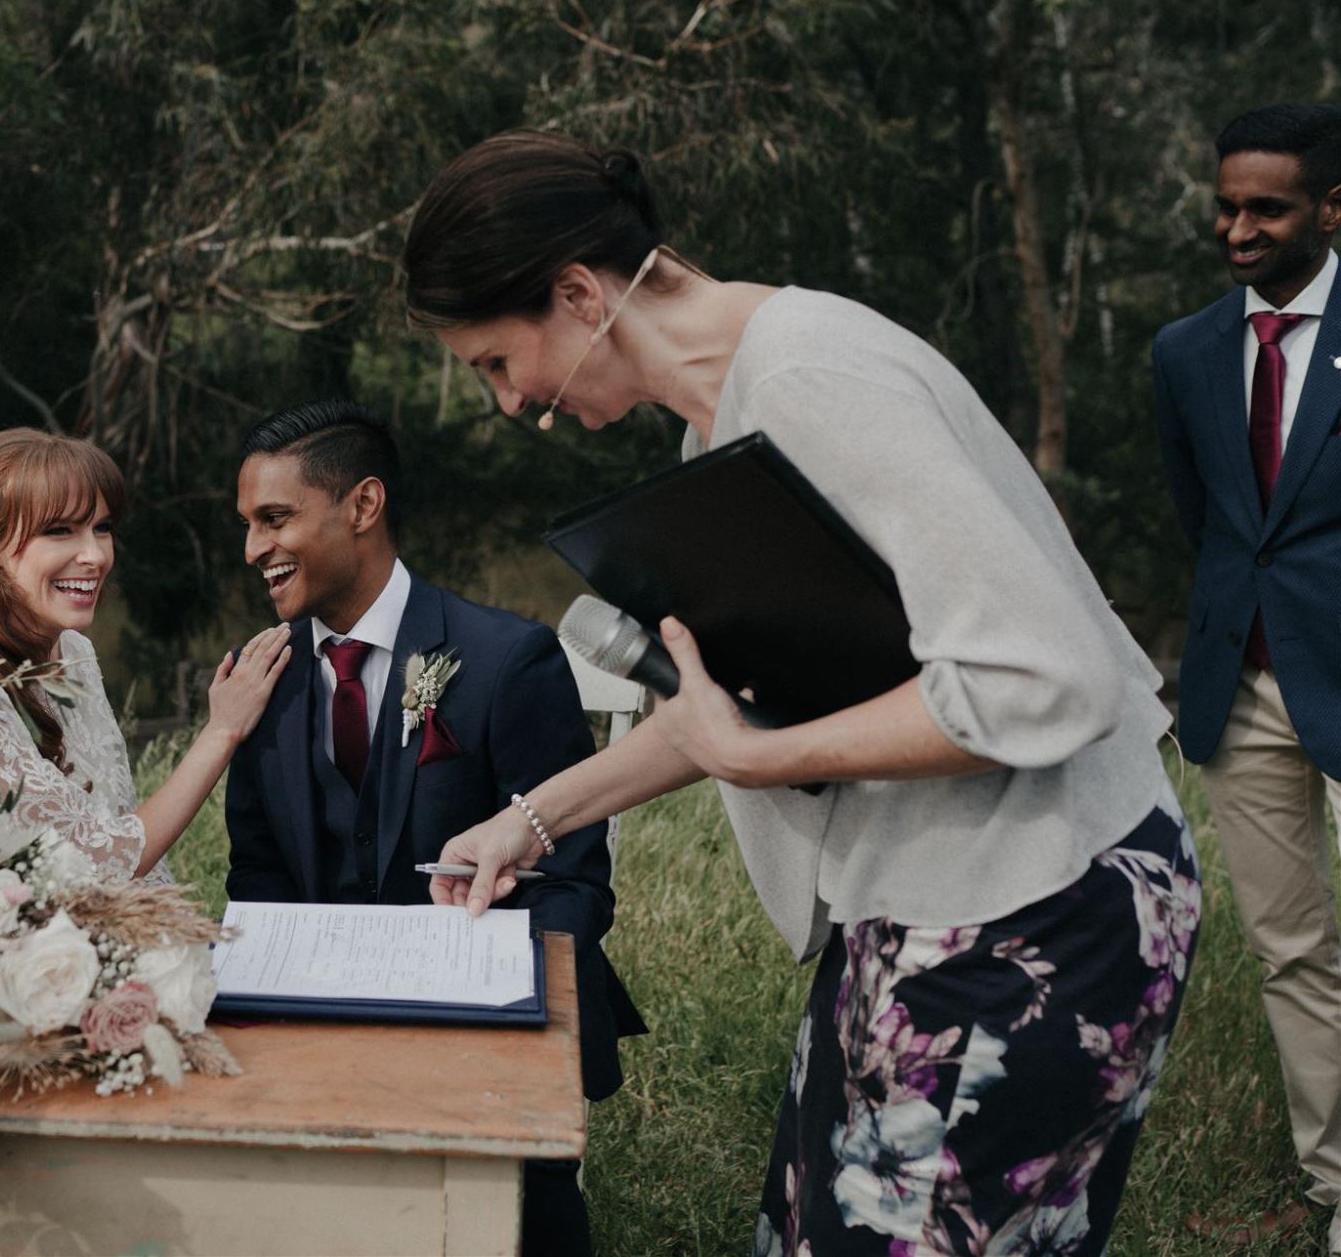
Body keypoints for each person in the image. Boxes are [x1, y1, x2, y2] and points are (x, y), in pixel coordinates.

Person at [405, 130, 1198, 1254]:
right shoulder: (716, 420)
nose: (507, 403)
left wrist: (755, 756)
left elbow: (1038, 677)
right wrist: (529, 820)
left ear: (577, 295)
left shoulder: (813, 376)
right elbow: (742, 706)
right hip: (916, 900)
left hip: (1036, 905)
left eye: (494, 361)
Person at [224, 399, 644, 1257]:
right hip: (321, 1061)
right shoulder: (259, 682)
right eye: (247, 525)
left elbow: (573, 884)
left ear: (363, 506)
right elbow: (257, 881)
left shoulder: (504, 659)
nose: (253, 549)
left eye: (275, 519)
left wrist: (493, 1036)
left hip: (491, 1050)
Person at [1152, 102, 1341, 1247]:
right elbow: (1209, 519)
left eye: (1262, 208)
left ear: (1329, 207)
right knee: (1291, 953)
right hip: (1244, 688)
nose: (1235, 229)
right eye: (1224, 205)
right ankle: (1335, 1191)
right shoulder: (1182, 351)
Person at [0, 428, 290, 881]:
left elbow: (114, 818)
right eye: (59, 530)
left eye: (102, 528)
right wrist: (221, 731)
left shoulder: (72, 652)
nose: (94, 555)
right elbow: (101, 862)